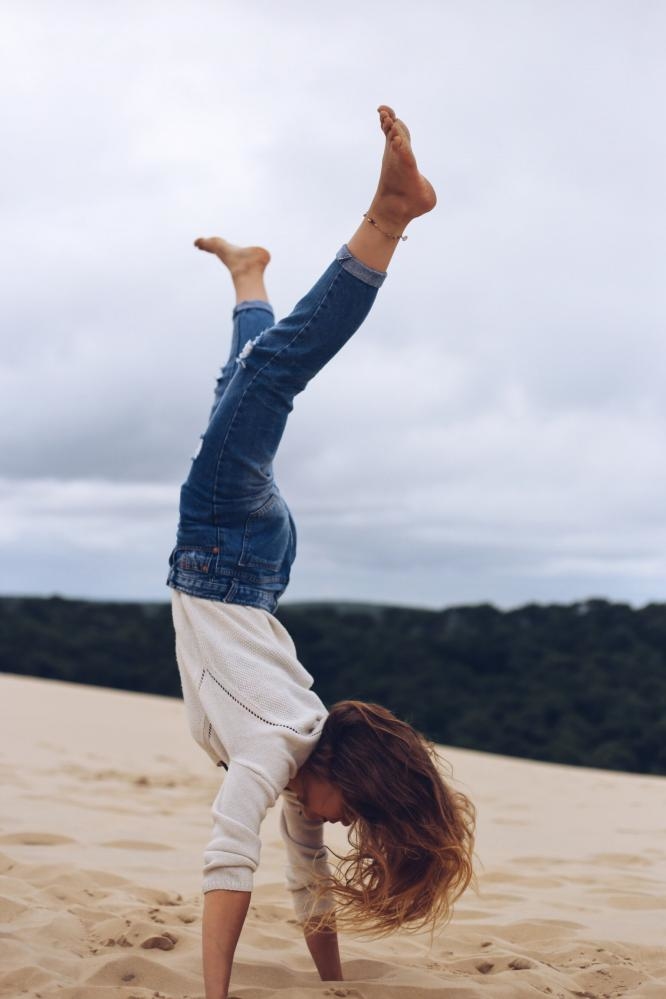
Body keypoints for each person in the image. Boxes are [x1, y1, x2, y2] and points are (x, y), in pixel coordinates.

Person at [168, 105, 476, 999]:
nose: (340, 831)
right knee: (270, 379)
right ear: (345, 772)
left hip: (257, 567)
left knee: (240, 390)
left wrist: (333, 983)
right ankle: (391, 215)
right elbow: (228, 861)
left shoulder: (303, 760)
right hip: (223, 552)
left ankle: (249, 277)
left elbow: (307, 886)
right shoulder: (276, 751)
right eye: (356, 819)